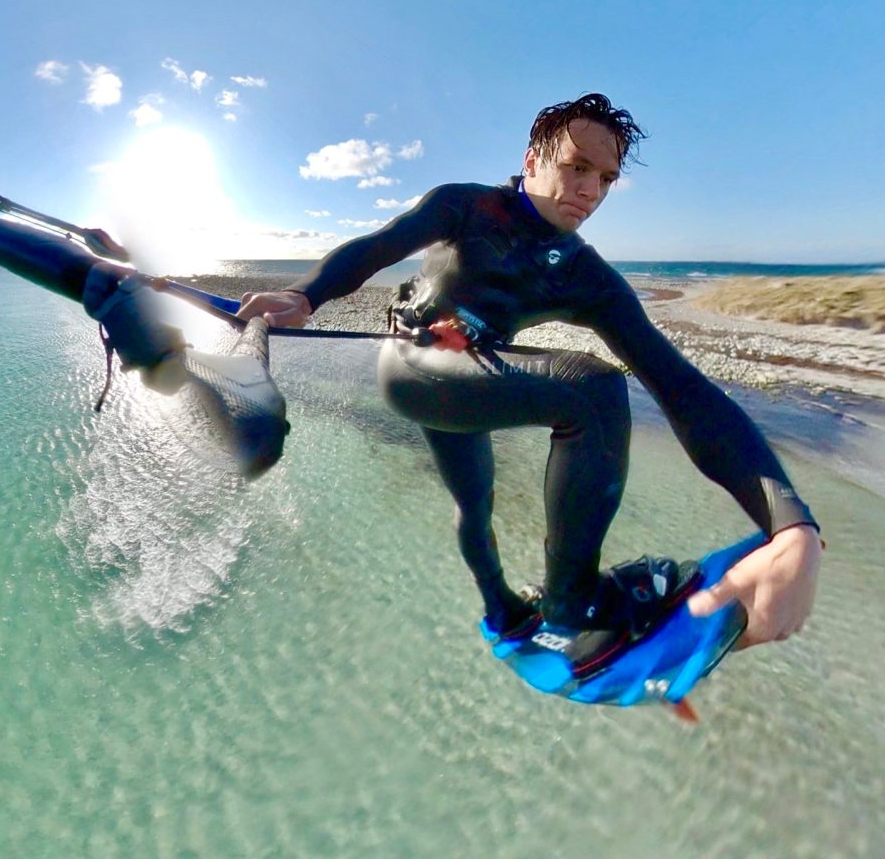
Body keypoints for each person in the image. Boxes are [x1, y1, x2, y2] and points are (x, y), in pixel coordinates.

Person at [238, 93, 821, 669]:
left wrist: (790, 522)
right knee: (591, 391)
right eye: (578, 167)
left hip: (473, 380)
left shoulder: (584, 276)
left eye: (606, 179)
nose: (591, 190)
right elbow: (379, 246)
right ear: (534, 159)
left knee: (476, 503)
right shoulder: (466, 207)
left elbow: (681, 387)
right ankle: (571, 600)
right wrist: (305, 295)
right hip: (411, 364)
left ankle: (502, 611)